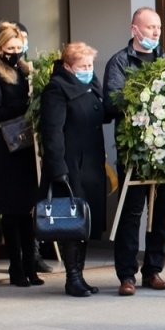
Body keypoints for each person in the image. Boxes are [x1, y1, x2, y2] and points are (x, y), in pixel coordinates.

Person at [104, 7, 165, 295]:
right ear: (135, 30)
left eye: (158, 27)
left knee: (162, 212)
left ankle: (153, 269)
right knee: (132, 211)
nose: (155, 32)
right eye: (150, 27)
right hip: (134, 150)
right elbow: (110, 104)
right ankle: (126, 275)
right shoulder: (120, 62)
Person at [39, 42, 112, 297]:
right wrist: (58, 168)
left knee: (85, 223)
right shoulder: (56, 89)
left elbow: (102, 114)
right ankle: (72, 277)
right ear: (68, 66)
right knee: (72, 222)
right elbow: (52, 132)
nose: (88, 70)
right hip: (70, 165)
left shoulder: (91, 84)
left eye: (90, 65)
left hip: (90, 164)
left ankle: (79, 275)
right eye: (83, 66)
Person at [0, 21, 42, 288]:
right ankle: (16, 267)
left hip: (26, 149)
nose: (16, 52)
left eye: (19, 47)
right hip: (7, 149)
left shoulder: (27, 71)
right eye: (10, 48)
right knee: (11, 211)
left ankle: (31, 264)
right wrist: (23, 105)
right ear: (0, 49)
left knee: (28, 210)